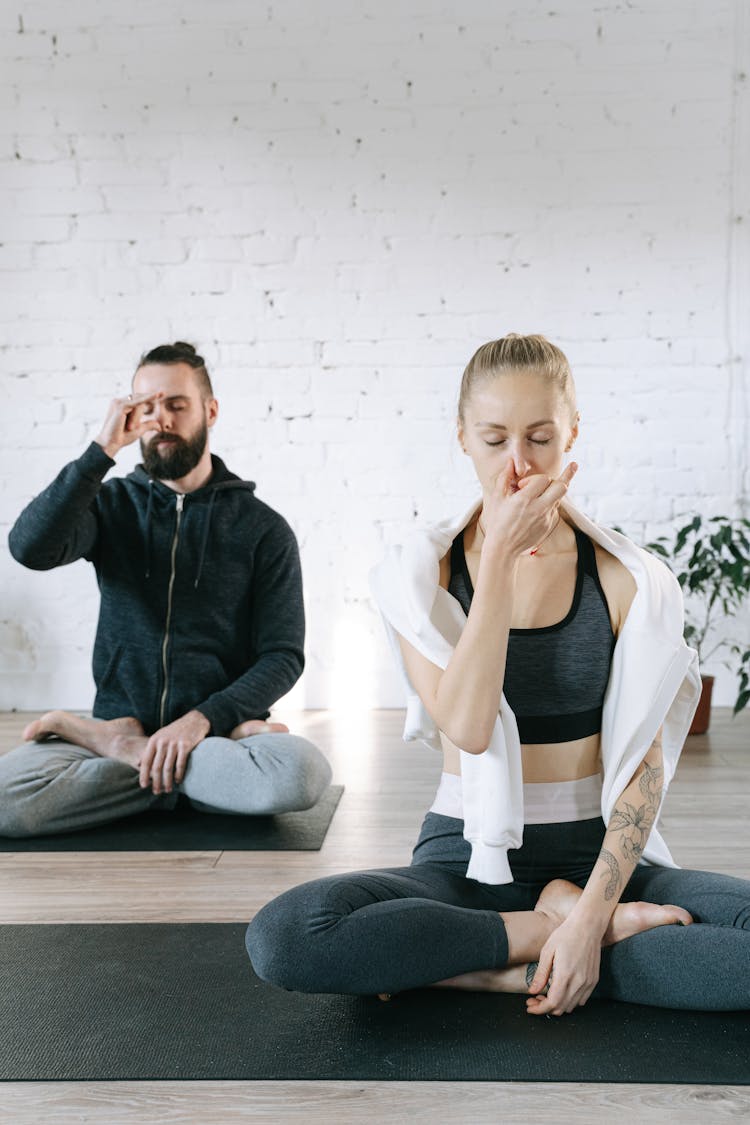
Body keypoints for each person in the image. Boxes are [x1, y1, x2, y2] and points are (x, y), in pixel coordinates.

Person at [246, 333, 750, 1013]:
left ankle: (486, 962)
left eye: (540, 437)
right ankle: (551, 940)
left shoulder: (631, 579)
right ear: (462, 438)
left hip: (601, 862)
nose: (517, 464)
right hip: (467, 862)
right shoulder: (423, 574)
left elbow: (642, 773)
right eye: (493, 439)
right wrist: (502, 564)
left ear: (572, 432)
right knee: (288, 936)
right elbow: (469, 725)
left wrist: (596, 905)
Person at [2, 342, 332, 836]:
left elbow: (282, 656)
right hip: (156, 730)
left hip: (215, 728)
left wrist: (205, 720)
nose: (161, 419)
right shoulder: (110, 506)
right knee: (6, 801)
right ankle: (154, 758)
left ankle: (125, 754)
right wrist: (101, 452)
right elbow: (30, 548)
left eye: (176, 405)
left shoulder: (263, 529)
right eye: (146, 406)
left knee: (301, 775)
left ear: (209, 411)